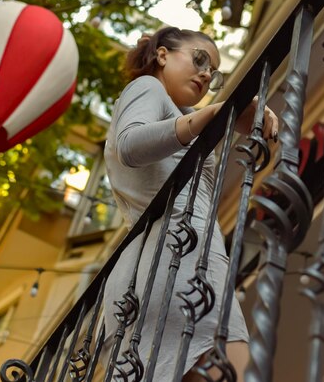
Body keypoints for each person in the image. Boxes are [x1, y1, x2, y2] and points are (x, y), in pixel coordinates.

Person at [100, 26, 278, 382]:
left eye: (213, 71)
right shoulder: (147, 87)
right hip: (179, 257)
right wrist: (207, 116)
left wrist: (226, 112)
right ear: (163, 54)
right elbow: (130, 145)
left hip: (156, 264)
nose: (206, 74)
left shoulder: (170, 109)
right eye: (199, 59)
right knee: (235, 369)